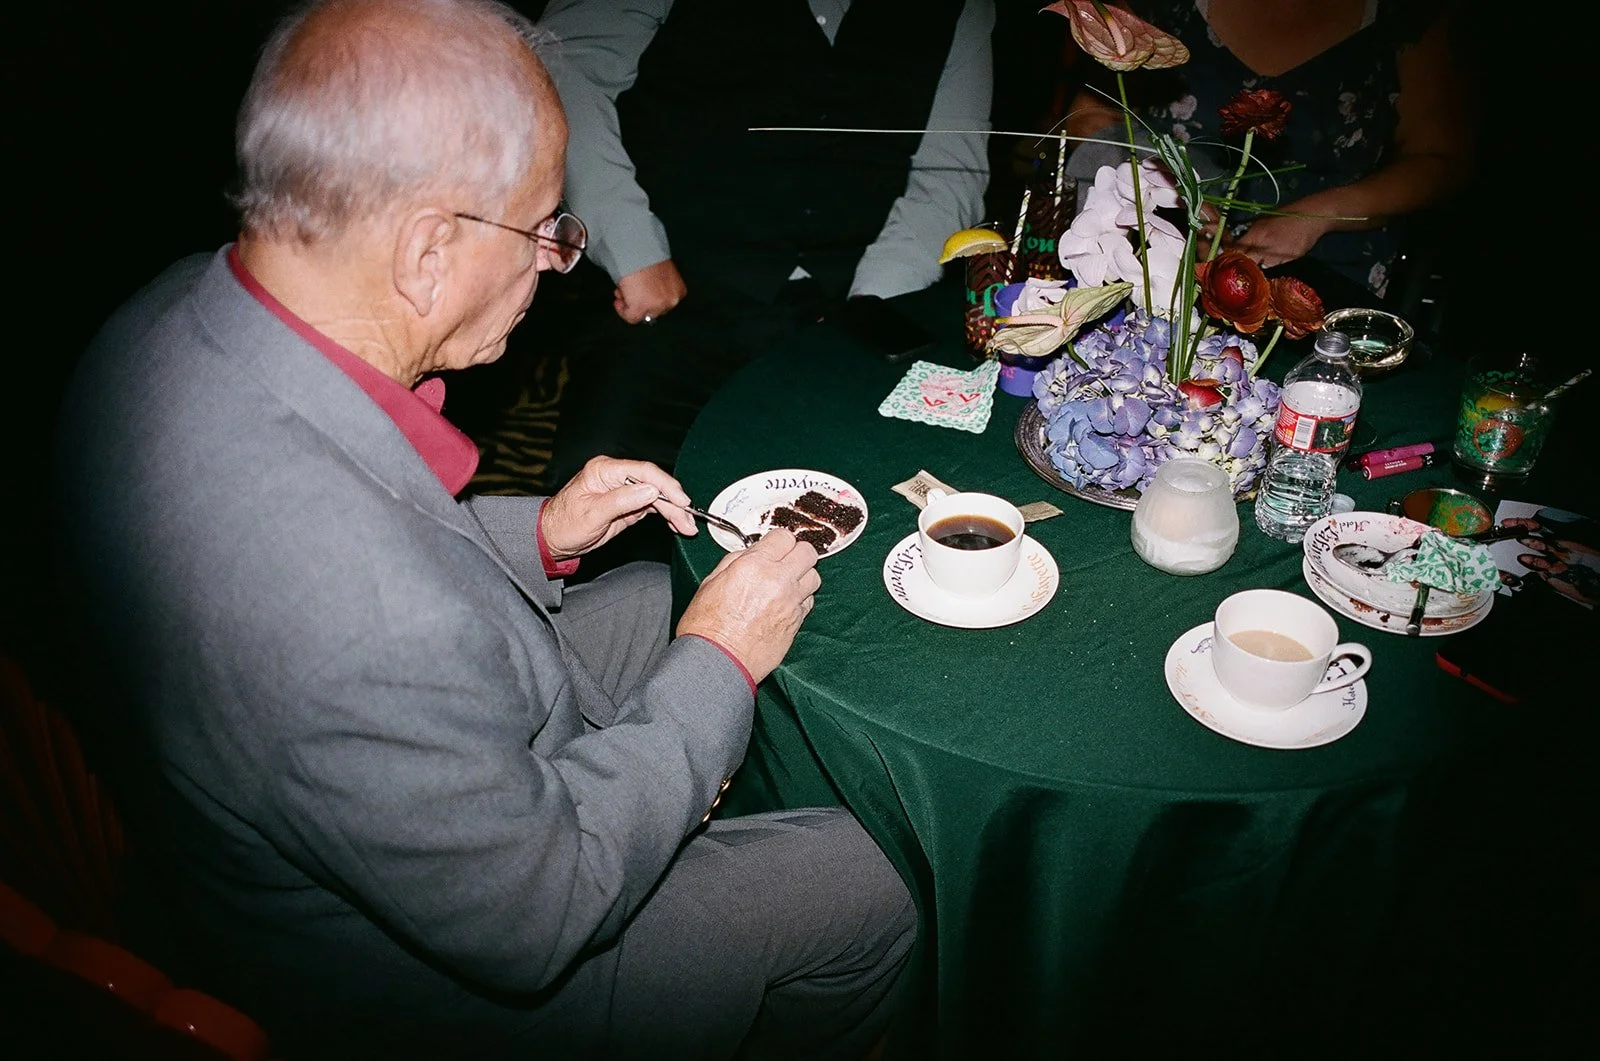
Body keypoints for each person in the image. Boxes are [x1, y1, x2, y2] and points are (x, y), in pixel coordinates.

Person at [51, 1, 915, 1057]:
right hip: (430, 994)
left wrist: (543, 529)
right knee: (879, 885)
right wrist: (719, 662)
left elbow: (382, 533)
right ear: (425, 250)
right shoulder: (360, 613)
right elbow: (540, 911)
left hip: (277, 807)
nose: (558, 261)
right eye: (547, 226)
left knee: (654, 589)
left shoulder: (170, 310)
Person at [536, 0, 994, 491]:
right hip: (677, 293)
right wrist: (630, 246)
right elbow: (563, 69)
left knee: (912, 487)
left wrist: (868, 309)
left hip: (857, 297)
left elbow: (948, 171)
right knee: (601, 476)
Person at [1060, 0, 1474, 299]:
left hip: (1327, 279)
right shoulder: (1163, 6)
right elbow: (1089, 118)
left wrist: (1318, 214)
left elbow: (1442, 160)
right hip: (1159, 260)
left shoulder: (1407, 15)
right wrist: (1171, 194)